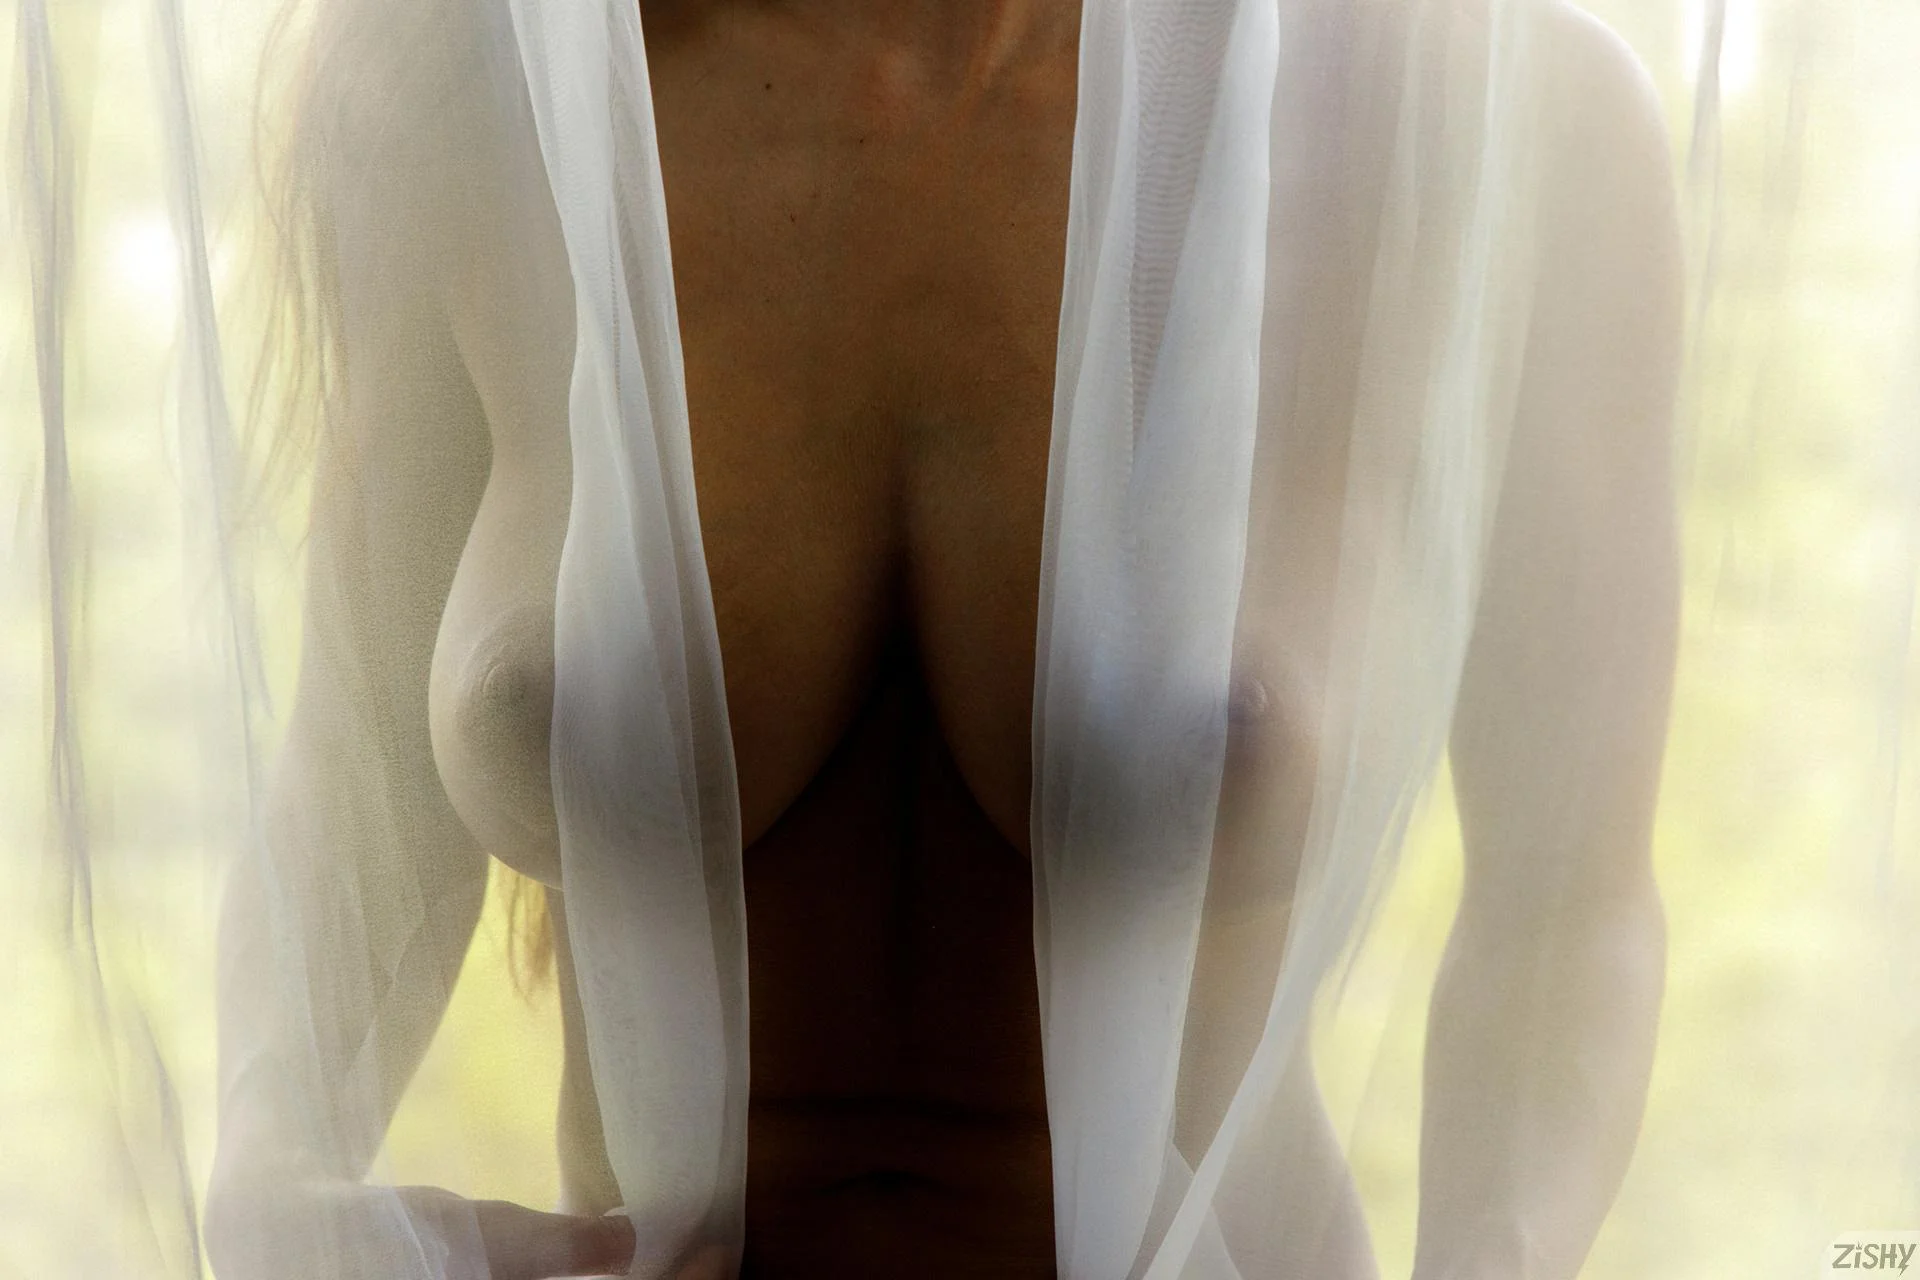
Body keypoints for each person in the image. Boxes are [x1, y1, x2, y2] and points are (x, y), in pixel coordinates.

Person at [198, 0, 1680, 1275]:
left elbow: (1571, 903)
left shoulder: (1500, 118)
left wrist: (1493, 1261)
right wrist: (266, 1173)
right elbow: (362, 795)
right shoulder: (473, 75)